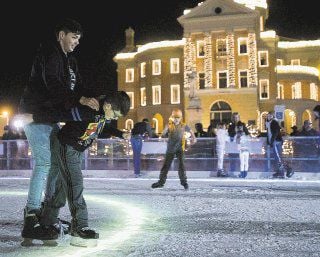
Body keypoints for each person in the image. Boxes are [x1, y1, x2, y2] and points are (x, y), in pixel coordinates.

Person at [18, 18, 100, 243]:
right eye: (74, 37)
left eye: (79, 39)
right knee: (45, 162)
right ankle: (31, 217)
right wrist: (80, 99)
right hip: (34, 114)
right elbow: (54, 85)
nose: (76, 42)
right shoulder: (50, 54)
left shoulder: (70, 61)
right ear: (62, 34)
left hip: (50, 118)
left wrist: (94, 99)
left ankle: (47, 214)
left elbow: (78, 87)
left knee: (56, 163)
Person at [28, 91, 130, 247]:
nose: (115, 118)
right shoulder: (89, 110)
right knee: (75, 185)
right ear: (108, 106)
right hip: (66, 146)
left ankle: (47, 222)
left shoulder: (103, 113)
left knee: (63, 187)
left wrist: (120, 133)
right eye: (115, 114)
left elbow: (102, 127)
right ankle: (80, 227)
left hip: (76, 150)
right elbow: (62, 113)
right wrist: (35, 116)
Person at [151, 109, 197, 190]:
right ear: (172, 117)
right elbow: (163, 133)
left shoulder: (184, 125)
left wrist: (194, 138)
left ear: (181, 118)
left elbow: (191, 131)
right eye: (175, 117)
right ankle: (161, 182)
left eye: (178, 117)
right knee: (166, 166)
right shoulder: (169, 125)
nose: (176, 119)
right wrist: (166, 127)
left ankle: (184, 182)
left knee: (181, 165)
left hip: (180, 149)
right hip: (170, 149)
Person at [265, 111, 294, 179]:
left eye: (270, 116)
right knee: (277, 158)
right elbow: (269, 133)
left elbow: (275, 132)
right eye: (268, 116)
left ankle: (287, 170)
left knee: (278, 158)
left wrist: (272, 141)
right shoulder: (269, 123)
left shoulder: (274, 122)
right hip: (274, 141)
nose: (268, 117)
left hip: (276, 142)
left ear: (273, 116)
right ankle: (280, 171)